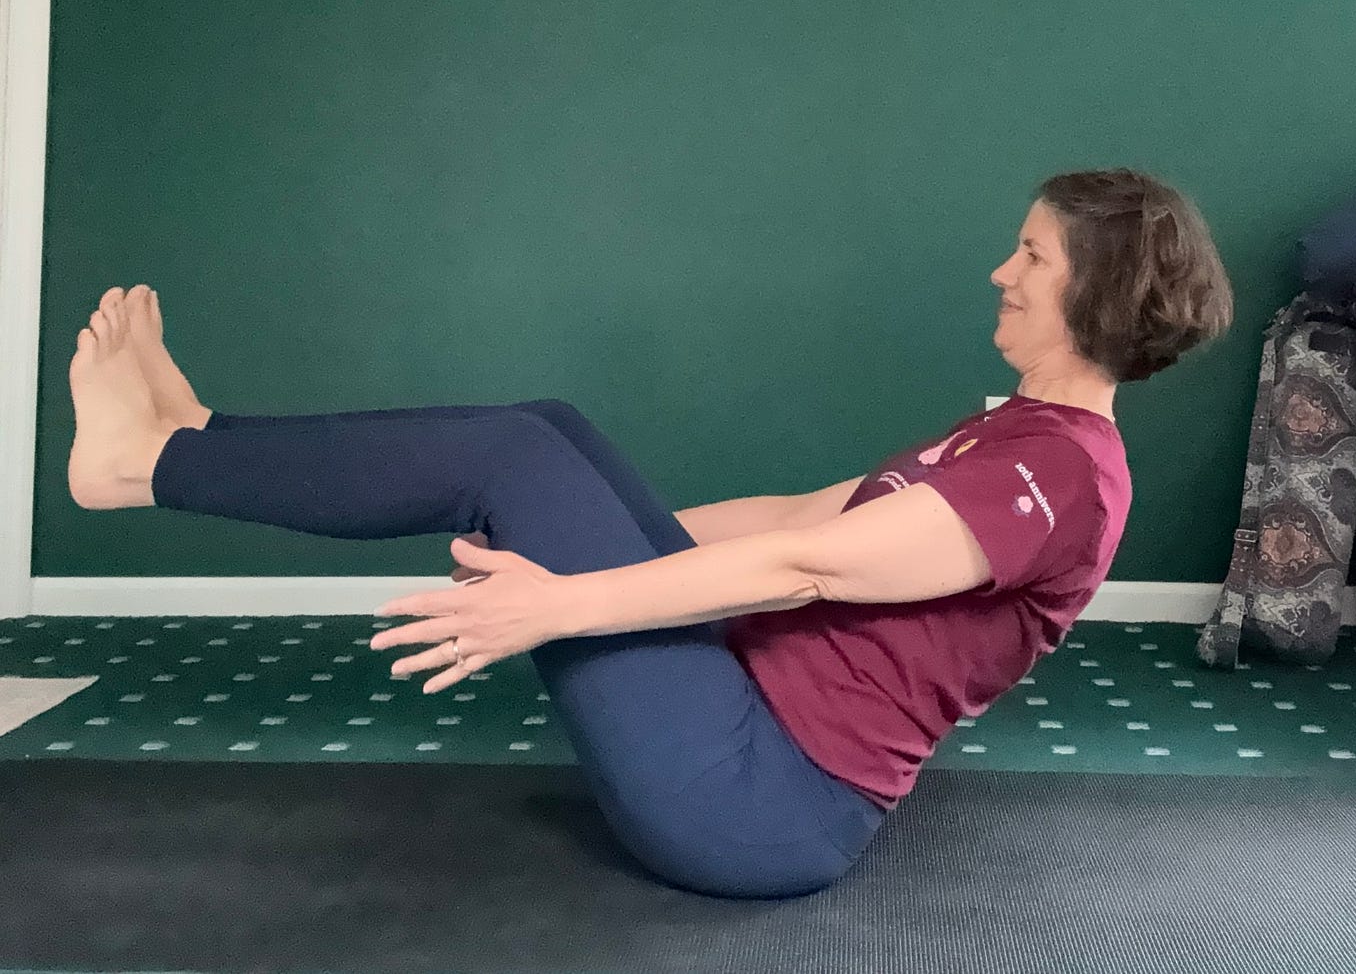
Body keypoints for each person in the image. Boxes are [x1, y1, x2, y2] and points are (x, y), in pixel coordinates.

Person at [66, 167, 1233, 901]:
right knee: (546, 435)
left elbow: (802, 572)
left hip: (758, 802)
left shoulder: (1063, 477)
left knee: (512, 459)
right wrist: (592, 533)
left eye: (1030, 253)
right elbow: (792, 516)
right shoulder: (1013, 438)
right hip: (737, 726)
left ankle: (147, 462)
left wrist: (558, 600)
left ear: (1099, 288)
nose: (1001, 269)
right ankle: (195, 434)